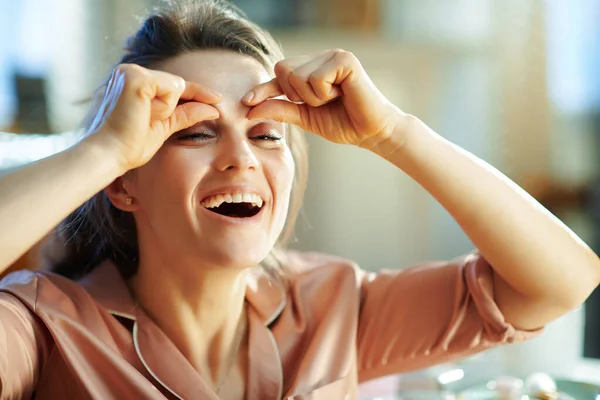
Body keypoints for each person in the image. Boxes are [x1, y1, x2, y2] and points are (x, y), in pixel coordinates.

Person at [0, 0, 598, 399]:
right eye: (197, 134)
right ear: (126, 182)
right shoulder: (44, 328)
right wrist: (100, 154)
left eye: (266, 134)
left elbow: (560, 282)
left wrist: (391, 132)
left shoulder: (335, 306)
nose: (243, 159)